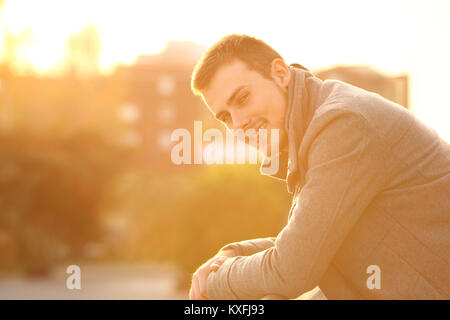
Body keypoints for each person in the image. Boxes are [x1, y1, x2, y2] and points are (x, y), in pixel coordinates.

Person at [188, 34, 450, 300]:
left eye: (243, 99)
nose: (238, 123)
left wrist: (217, 281)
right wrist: (234, 254)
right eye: (225, 117)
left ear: (280, 74)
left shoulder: (342, 124)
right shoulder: (314, 126)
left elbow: (291, 270)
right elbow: (309, 244)